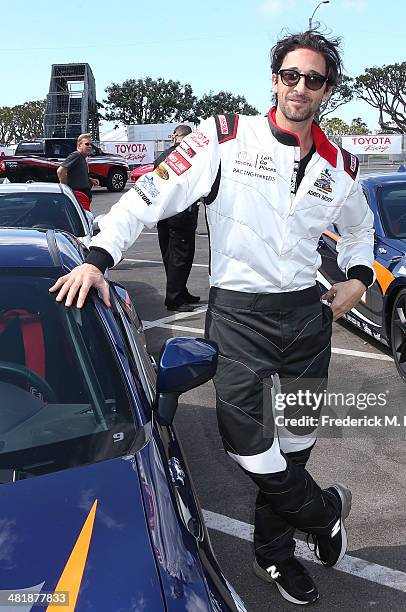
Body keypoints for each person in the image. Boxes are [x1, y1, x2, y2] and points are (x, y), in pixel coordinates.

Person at [50, 30, 375, 606]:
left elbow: (360, 229)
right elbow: (150, 193)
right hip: (239, 316)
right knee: (248, 446)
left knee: (297, 443)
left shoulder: (342, 164)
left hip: (307, 316)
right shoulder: (224, 138)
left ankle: (274, 556)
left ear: (328, 89)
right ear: (274, 79)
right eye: (290, 75)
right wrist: (100, 257)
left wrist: (358, 277)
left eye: (314, 79)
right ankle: (323, 513)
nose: (300, 88)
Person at [155, 125, 200, 311]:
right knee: (181, 256)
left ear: (175, 137)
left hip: (163, 213)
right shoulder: (190, 156)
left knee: (170, 256)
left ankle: (180, 291)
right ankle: (175, 298)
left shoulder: (162, 156)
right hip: (180, 214)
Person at [57, 133, 99, 211]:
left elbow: (76, 173)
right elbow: (60, 171)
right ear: (79, 145)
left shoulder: (82, 157)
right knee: (85, 220)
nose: (90, 146)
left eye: (90, 144)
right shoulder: (76, 155)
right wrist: (65, 189)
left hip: (84, 195)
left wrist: (90, 179)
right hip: (79, 196)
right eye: (87, 144)